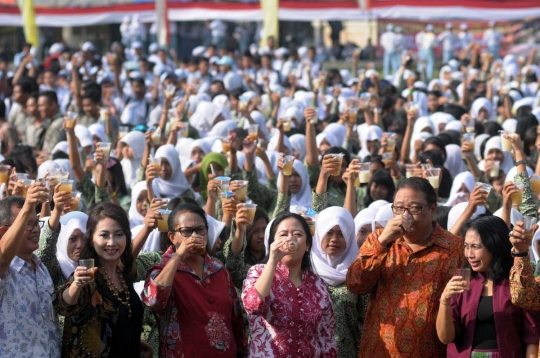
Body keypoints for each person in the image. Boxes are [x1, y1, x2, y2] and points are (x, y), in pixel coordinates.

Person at [346, 177, 463, 356]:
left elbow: (462, 305)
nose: (405, 215)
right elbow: (355, 283)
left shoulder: (454, 248)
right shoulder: (378, 240)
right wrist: (383, 241)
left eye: (414, 208)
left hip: (428, 351)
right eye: (399, 208)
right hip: (380, 350)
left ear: (432, 209)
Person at [142, 202, 247, 357]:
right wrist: (178, 256)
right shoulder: (162, 270)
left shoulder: (219, 269)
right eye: (186, 231)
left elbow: (236, 321)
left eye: (200, 230)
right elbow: (154, 301)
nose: (194, 236)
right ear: (172, 237)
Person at [54, 202, 148, 357]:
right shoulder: (87, 276)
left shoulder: (122, 275)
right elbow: (63, 305)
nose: (112, 242)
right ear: (91, 239)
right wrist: (76, 284)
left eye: (118, 234)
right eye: (104, 235)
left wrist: (137, 345)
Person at [437, 215, 539, 357]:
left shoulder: (516, 282)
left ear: (494, 245)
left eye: (476, 247)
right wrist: (445, 300)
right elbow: (445, 338)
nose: (469, 254)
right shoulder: (462, 283)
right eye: (466, 246)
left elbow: (531, 334)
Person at [242, 212, 337, 357]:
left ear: (307, 244)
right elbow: (254, 306)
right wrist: (272, 261)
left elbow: (327, 336)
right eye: (283, 235)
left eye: (297, 234)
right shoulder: (258, 272)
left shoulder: (318, 285)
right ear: (272, 242)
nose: (290, 239)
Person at [0, 187, 61, 356]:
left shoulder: (40, 267)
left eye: (36, 223)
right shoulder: (6, 269)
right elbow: (3, 256)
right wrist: (27, 207)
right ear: (4, 232)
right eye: (27, 224)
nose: (35, 229)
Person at [311, 207, 369, 358]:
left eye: (341, 233)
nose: (334, 239)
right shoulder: (306, 270)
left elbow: (365, 322)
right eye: (329, 232)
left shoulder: (358, 273)